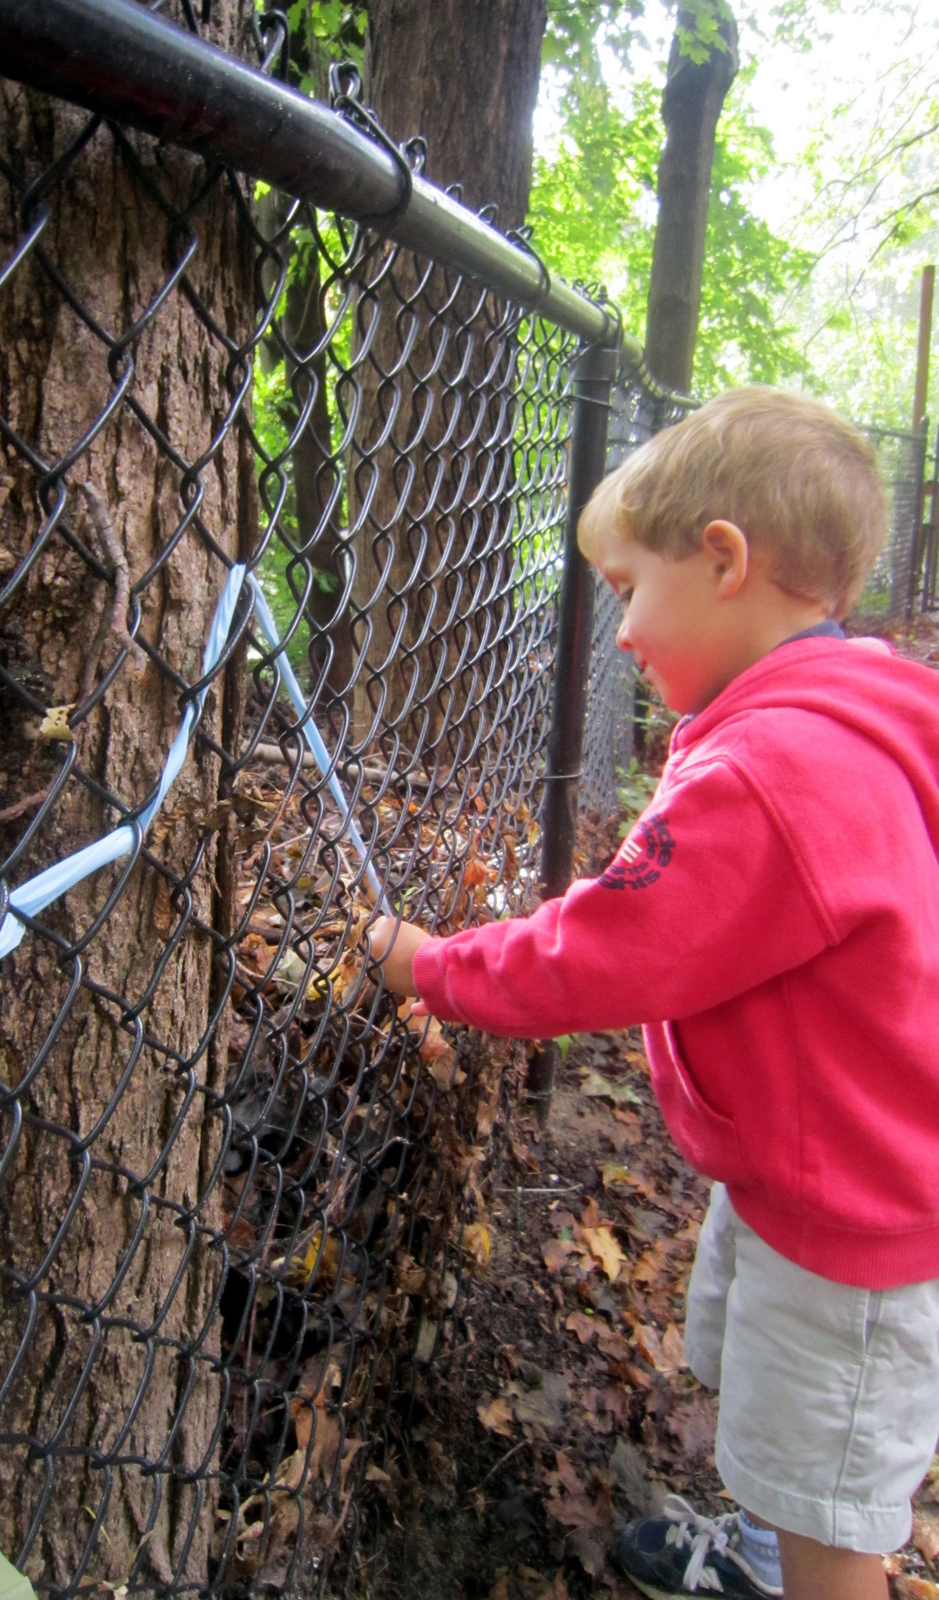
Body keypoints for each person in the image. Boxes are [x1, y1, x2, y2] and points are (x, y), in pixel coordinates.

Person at [368, 387, 939, 1600]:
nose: (618, 632)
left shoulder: (774, 772)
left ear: (725, 560)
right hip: (832, 1168)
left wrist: (431, 965)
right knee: (787, 1441)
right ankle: (762, 1551)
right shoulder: (853, 716)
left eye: (629, 589)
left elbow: (600, 954)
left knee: (835, 1507)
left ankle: (804, 1570)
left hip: (856, 1226)